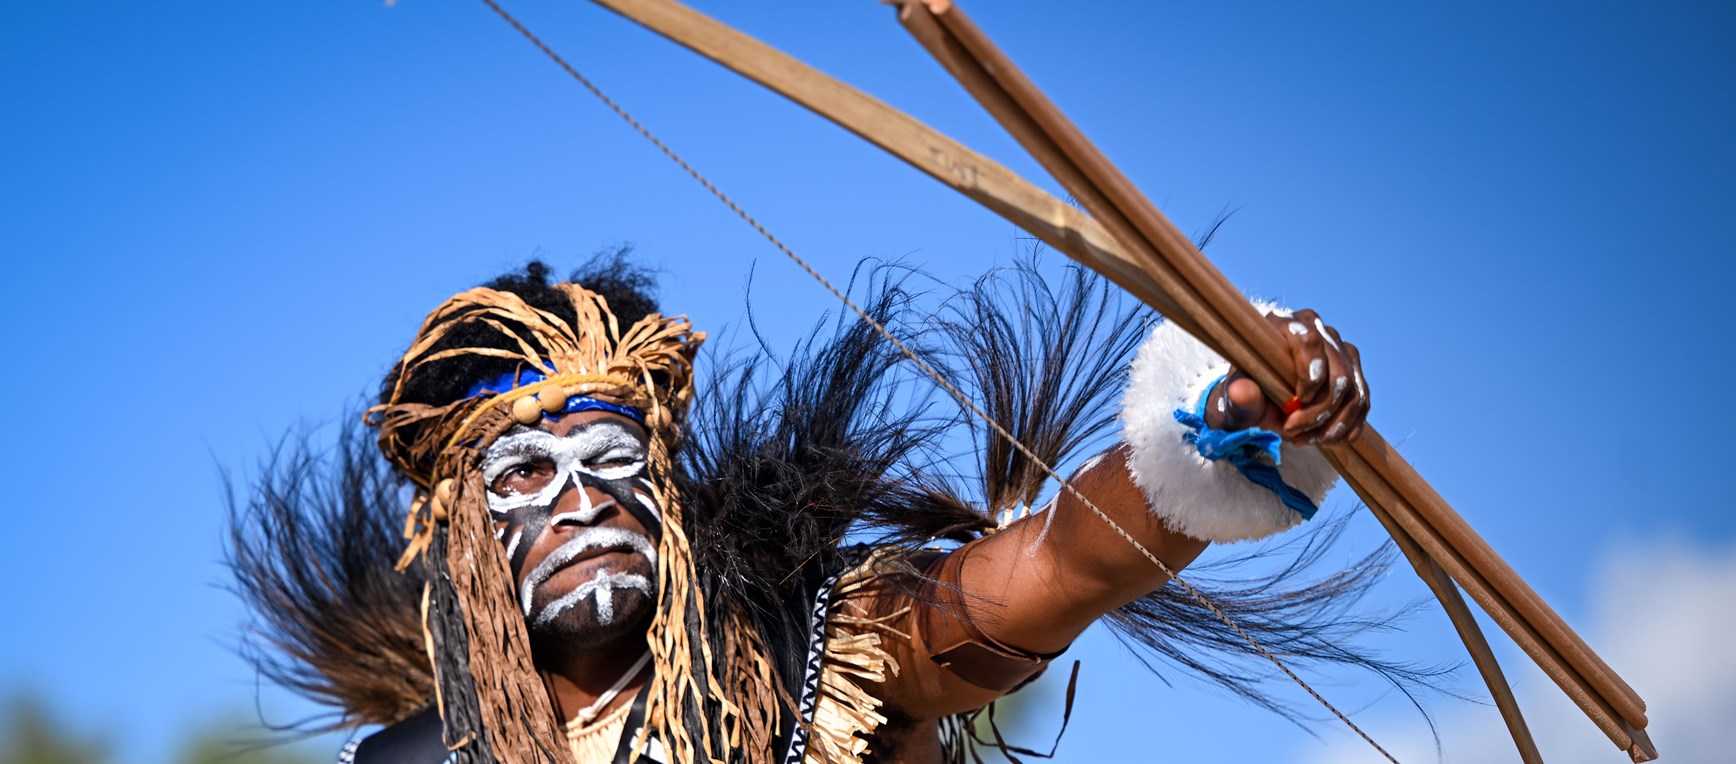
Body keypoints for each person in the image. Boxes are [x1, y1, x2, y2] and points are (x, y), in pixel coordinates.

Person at [230, 254, 1390, 764]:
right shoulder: (406, 761)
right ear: (463, 537)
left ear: (662, 484)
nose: (580, 500)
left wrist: (1218, 418)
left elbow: (1062, 562)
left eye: (609, 455)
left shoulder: (815, 651)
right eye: (526, 475)